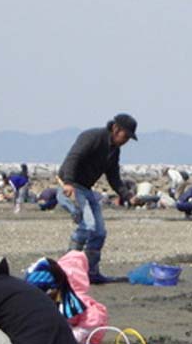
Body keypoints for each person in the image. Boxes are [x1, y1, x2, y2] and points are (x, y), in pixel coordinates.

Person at [56, 113, 137, 283]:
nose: (126, 140)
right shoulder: (92, 137)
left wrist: (127, 195)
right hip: (70, 186)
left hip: (86, 189)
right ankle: (67, 271)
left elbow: (113, 176)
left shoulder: (114, 150)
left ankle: (91, 273)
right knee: (87, 225)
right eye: (126, 136)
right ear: (116, 129)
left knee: (99, 232)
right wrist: (69, 182)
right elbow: (73, 158)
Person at [23, 251, 108, 344]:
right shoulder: (54, 297)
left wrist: (77, 333)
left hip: (84, 335)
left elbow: (94, 318)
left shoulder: (77, 300)